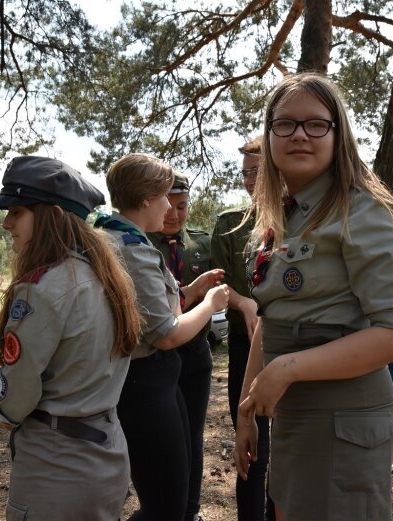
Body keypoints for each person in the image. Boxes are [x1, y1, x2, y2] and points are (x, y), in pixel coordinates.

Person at [232, 73, 393, 520]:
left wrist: (287, 369)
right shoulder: (287, 215)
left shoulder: (361, 211)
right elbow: (272, 319)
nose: (299, 133)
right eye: (285, 123)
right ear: (270, 134)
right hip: (295, 413)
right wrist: (245, 411)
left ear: (339, 135)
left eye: (316, 124)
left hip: (342, 419)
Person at [0, 156, 141, 521]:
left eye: (17, 211)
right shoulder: (105, 277)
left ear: (50, 215)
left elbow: (18, 391)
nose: (7, 223)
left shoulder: (42, 287)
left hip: (55, 468)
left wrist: (5, 412)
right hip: (107, 454)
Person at [96, 152, 229, 521]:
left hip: (146, 380)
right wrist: (211, 303)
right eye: (164, 196)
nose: (170, 206)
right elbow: (166, 333)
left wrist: (192, 291)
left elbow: (152, 307)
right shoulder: (134, 250)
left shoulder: (113, 237)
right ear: (145, 200)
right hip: (147, 384)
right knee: (166, 505)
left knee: (171, 493)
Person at [210, 135, 274, 521]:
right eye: (245, 172)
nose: (250, 180)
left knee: (287, 448)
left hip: (290, 348)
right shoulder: (229, 224)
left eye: (258, 171)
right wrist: (244, 302)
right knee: (251, 444)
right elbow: (220, 283)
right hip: (243, 345)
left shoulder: (301, 220)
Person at [146, 173, 213, 521]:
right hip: (157, 357)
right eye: (168, 206)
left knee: (193, 438)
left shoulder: (202, 242)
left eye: (182, 207)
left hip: (194, 355)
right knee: (162, 443)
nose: (174, 215)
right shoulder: (140, 245)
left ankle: (191, 510)